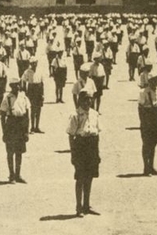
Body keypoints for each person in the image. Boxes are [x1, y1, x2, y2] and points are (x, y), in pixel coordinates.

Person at [67, 89, 102, 217]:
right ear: (80, 101)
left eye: (90, 99)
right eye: (86, 99)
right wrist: (73, 154)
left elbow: (97, 134)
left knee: (90, 176)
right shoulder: (75, 115)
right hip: (81, 146)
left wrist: (97, 153)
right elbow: (71, 136)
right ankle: (79, 207)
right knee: (80, 178)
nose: (88, 102)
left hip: (92, 146)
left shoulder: (94, 114)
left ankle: (87, 205)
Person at [0, 78, 31, 184]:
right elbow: (3, 116)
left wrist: (26, 130)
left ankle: (18, 174)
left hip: (21, 124)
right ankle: (11, 175)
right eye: (15, 85)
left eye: (18, 85)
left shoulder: (23, 97)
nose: (17, 87)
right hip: (11, 125)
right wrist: (4, 131)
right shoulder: (7, 98)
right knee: (10, 151)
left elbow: (27, 114)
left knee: (19, 151)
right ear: (11, 87)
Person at [138, 74, 157, 176]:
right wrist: (144, 123)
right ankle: (146, 167)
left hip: (156, 120)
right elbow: (140, 108)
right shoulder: (143, 92)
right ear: (149, 82)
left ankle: (151, 166)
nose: (156, 83)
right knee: (146, 145)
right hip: (147, 120)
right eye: (154, 81)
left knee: (153, 144)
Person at [21, 57, 44, 133]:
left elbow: (42, 83)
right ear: (30, 64)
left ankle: (37, 126)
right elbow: (23, 81)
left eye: (35, 63)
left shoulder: (40, 71)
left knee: (39, 109)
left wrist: (42, 94)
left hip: (39, 89)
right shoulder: (27, 72)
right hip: (32, 90)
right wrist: (24, 91)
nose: (34, 65)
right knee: (33, 109)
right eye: (33, 63)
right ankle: (32, 127)